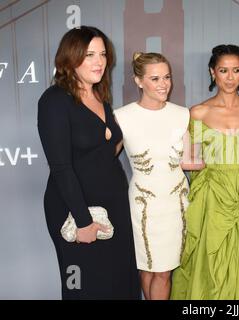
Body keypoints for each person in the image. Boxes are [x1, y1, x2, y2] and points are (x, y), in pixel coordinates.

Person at [37, 26, 140, 299]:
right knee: (84, 286)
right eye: (89, 54)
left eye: (103, 54)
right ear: (70, 58)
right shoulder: (54, 100)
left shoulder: (100, 96)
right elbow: (61, 167)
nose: (99, 61)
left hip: (114, 205)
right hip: (75, 210)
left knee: (119, 281)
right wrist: (83, 222)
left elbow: (107, 148)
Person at [171, 44, 239, 299]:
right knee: (210, 266)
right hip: (212, 198)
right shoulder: (197, 112)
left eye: (236, 70)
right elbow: (191, 161)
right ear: (212, 72)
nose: (230, 77)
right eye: (223, 70)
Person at [114, 52, 203, 300]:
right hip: (144, 205)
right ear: (138, 81)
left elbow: (189, 161)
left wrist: (226, 160)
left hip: (175, 203)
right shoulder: (121, 117)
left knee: (164, 272)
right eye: (155, 78)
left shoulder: (182, 114)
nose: (164, 84)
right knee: (147, 268)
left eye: (167, 77)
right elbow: (104, 159)